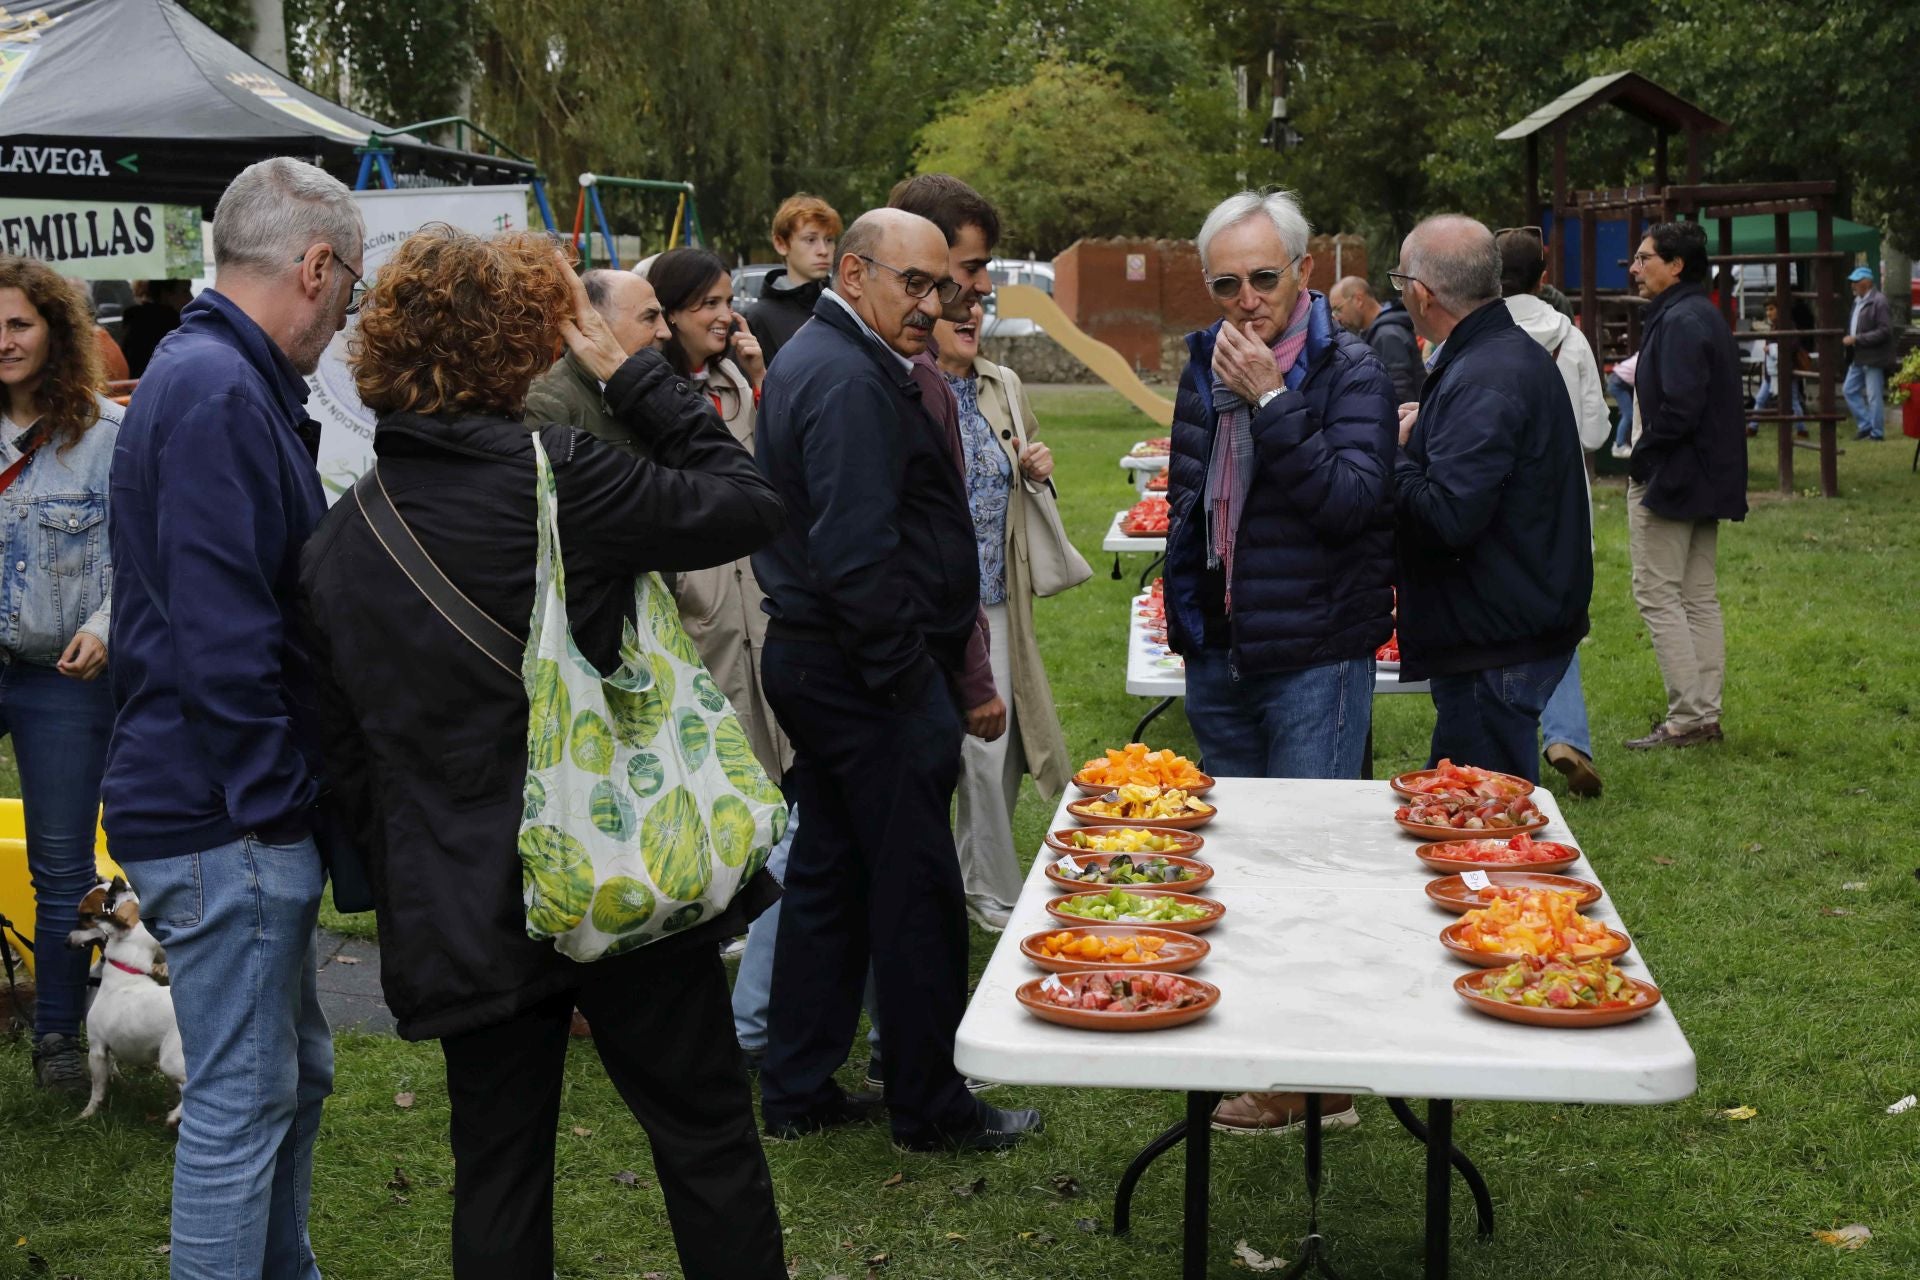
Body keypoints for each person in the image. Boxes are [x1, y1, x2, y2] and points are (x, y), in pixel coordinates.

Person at [300, 226, 787, 1280]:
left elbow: (345, 754)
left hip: (459, 894)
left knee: (498, 1169)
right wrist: (639, 377)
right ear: (523, 344)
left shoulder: (339, 543)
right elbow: (749, 500)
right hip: (616, 865)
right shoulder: (564, 474)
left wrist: (393, 886)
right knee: (704, 1137)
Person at [103, 157, 363, 1278]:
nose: (344, 314)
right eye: (348, 288)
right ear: (315, 266)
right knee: (239, 1105)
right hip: (225, 815)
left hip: (222, 806)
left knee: (287, 1076)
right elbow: (222, 633)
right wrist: (273, 807)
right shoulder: (214, 384)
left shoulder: (212, 372)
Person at [752, 208, 1041, 1153]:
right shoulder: (843, 374)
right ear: (854, 271)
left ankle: (797, 1086)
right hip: (859, 670)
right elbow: (856, 555)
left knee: (832, 875)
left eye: (940, 287)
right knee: (915, 891)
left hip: (834, 661)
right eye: (911, 285)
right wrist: (909, 694)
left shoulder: (838, 356)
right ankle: (930, 1107)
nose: (930, 304)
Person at [1163, 192, 1395, 1137]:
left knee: (1312, 871)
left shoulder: (1353, 369)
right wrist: (1187, 612)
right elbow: (1190, 497)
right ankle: (1278, 1053)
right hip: (1224, 647)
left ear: (1303, 272)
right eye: (1227, 283)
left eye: (1264, 278)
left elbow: (1350, 502)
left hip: (1313, 655)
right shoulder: (1198, 361)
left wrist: (1269, 399)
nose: (1246, 300)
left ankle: (1316, 1079)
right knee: (1245, 871)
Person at [1391, 214, 1592, 781]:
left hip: (1497, 640)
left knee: (1486, 822)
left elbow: (1448, 515)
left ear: (1423, 295)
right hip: (1506, 624)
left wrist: (1392, 454)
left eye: (1398, 279)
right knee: (1460, 800)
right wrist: (1430, 427)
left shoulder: (1485, 374)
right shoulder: (1496, 355)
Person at [0, 257, 121, 1093]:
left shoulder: (105, 438)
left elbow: (139, 558)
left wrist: (107, 627)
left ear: (54, 331)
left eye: (18, 323)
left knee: (62, 867)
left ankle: (59, 1038)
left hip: (59, 680)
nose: (2, 341)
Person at [932, 298, 1073, 930]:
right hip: (925, 605)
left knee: (994, 750)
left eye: (977, 309)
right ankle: (944, 878)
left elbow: (1027, 460)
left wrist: (1038, 469)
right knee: (935, 752)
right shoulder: (903, 386)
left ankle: (986, 883)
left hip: (995, 594)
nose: (970, 319)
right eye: (955, 309)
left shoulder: (1002, 383)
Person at [1622, 221, 1746, 749]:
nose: (1635, 267)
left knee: (1658, 594)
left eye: (1645, 258)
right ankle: (1703, 714)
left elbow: (1679, 406)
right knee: (1696, 596)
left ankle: (1686, 717)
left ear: (1676, 265)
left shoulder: (1680, 319)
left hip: (1673, 475)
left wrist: (1640, 458)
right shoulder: (1701, 312)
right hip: (1704, 473)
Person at [1498, 227, 1609, 797]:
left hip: (1493, 498)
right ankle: (1564, 732)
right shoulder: (1571, 338)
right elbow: (1595, 430)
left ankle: (1511, 746)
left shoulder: (1473, 337)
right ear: (1543, 277)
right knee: (1560, 614)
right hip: (1564, 502)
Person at [524, 268, 671, 437]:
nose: (666, 332)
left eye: (662, 316)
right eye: (650, 317)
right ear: (593, 323)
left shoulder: (659, 380)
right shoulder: (548, 403)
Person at [744, 193, 841, 366]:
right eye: (810, 239)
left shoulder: (845, 306)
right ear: (781, 244)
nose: (823, 250)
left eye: (829, 240)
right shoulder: (758, 318)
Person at [1328, 274, 1425, 402]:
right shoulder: (1376, 331)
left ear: (1358, 300)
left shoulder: (1387, 335)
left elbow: (1400, 393)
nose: (1337, 317)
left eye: (1338, 309)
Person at [1842, 265, 1893, 441]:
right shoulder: (1857, 301)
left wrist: (1857, 339)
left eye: (1855, 282)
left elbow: (1885, 331)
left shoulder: (1879, 301)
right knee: (1848, 390)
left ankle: (1876, 433)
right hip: (1858, 356)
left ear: (1866, 283)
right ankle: (1865, 425)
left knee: (1873, 396)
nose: (1852, 286)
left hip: (1874, 357)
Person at [1746, 298, 1808, 439]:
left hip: (1785, 372)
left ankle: (1802, 429)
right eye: (1767, 310)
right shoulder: (1775, 326)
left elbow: (1793, 345)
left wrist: (1773, 348)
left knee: (1792, 401)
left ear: (1780, 310)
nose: (1769, 313)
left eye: (1772, 309)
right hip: (1772, 372)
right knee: (1761, 399)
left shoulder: (1788, 326)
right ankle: (1753, 427)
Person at [120, 277, 193, 377]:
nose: (191, 298)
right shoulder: (172, 324)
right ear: (165, 294)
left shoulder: (133, 318)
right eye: (185, 291)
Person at [1608, 352, 1638, 459]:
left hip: (1618, 381)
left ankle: (1623, 443)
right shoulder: (1644, 360)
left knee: (1628, 414)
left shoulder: (1641, 356)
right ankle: (1619, 445)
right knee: (1629, 415)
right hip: (1618, 384)